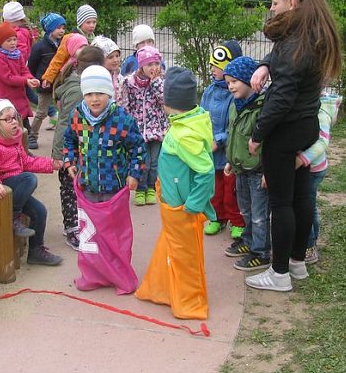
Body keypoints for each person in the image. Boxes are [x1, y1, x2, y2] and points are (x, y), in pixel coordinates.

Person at [245, 0, 343, 292]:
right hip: (306, 124)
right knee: (301, 198)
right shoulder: (311, 31)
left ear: (291, 3)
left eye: (274, 3)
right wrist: (264, 64)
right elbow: (280, 55)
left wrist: (258, 134)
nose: (271, 8)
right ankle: (297, 263)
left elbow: (281, 99)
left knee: (280, 203)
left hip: (285, 131)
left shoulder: (294, 45)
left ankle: (279, 274)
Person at [136, 67, 216, 320]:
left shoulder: (184, 134)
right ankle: (161, 289)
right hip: (172, 202)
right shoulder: (186, 123)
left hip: (182, 207)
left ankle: (190, 303)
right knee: (170, 247)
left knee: (184, 256)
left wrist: (193, 204)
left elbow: (206, 172)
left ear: (170, 103)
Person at [63, 65, 146, 294]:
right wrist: (70, 161)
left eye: (100, 93)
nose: (94, 99)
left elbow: (138, 148)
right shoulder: (77, 115)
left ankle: (119, 275)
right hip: (88, 185)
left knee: (115, 234)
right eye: (89, 93)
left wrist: (134, 173)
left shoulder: (122, 119)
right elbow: (69, 140)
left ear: (109, 92)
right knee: (91, 235)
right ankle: (93, 275)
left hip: (114, 188)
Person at [0, 98, 63, 266]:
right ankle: (13, 216)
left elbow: (26, 162)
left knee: (40, 211)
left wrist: (51, 164)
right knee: (29, 178)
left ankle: (36, 251)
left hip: (15, 190)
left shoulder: (12, 141)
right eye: (7, 119)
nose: (14, 122)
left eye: (15, 117)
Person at [51, 46, 106, 250]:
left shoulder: (85, 85)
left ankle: (81, 226)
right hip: (71, 151)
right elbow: (65, 124)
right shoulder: (78, 90)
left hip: (82, 148)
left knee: (81, 188)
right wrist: (61, 155)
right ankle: (72, 229)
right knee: (70, 189)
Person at [222, 56, 272, 272]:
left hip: (258, 171)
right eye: (228, 83)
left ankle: (261, 253)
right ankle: (249, 241)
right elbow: (233, 134)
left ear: (248, 80)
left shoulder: (263, 107)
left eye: (234, 81)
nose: (230, 86)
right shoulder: (235, 106)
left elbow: (269, 142)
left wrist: (269, 171)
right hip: (241, 169)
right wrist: (230, 160)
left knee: (259, 215)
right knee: (246, 211)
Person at [200, 40, 245, 239]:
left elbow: (235, 125)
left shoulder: (235, 94)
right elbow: (202, 116)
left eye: (216, 66)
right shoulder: (209, 91)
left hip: (228, 151)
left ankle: (237, 221)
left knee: (231, 191)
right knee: (214, 189)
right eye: (211, 65)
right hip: (210, 151)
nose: (212, 69)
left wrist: (219, 140)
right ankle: (217, 218)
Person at [119, 45, 168, 206]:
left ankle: (151, 187)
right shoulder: (129, 82)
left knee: (154, 163)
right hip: (139, 130)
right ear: (141, 65)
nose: (154, 68)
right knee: (143, 163)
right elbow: (125, 105)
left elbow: (164, 100)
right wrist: (127, 126)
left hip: (157, 128)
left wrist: (155, 82)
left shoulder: (161, 81)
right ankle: (141, 188)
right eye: (149, 64)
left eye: (156, 64)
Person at [298, 90, 342, 264]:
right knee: (310, 206)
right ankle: (312, 240)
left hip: (312, 168)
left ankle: (309, 247)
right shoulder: (311, 104)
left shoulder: (321, 111)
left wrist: (302, 159)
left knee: (304, 208)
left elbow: (323, 142)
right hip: (311, 167)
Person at [0, 22, 40, 134]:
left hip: (19, 96)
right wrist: (25, 80)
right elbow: (8, 78)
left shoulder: (17, 54)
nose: (13, 43)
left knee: (24, 126)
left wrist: (30, 78)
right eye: (8, 40)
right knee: (11, 126)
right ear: (0, 42)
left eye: (14, 39)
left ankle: (26, 143)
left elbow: (24, 70)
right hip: (6, 97)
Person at [27, 13, 66, 148]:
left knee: (64, 111)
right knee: (41, 112)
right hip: (44, 85)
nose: (61, 31)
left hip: (60, 84)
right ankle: (32, 136)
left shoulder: (63, 44)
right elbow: (32, 65)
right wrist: (37, 79)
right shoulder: (39, 47)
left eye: (63, 28)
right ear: (50, 29)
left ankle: (64, 138)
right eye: (58, 28)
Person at [40, 4, 98, 87]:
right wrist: (48, 78)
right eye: (88, 22)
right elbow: (58, 59)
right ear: (80, 23)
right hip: (69, 77)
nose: (92, 25)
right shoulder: (70, 38)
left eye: (94, 22)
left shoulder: (94, 39)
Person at [91, 35, 123, 100]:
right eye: (110, 57)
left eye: (117, 56)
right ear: (100, 59)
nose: (115, 60)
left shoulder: (119, 77)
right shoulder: (96, 79)